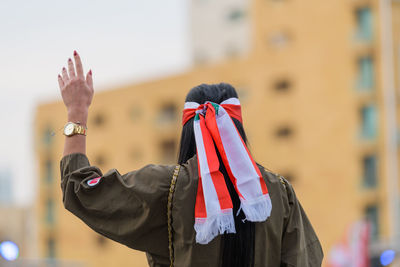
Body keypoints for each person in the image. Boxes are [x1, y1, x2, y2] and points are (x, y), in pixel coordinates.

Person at [58, 51, 324, 267]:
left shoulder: (167, 188)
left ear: (187, 131)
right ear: (237, 131)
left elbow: (80, 190)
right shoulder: (278, 192)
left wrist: (77, 112)